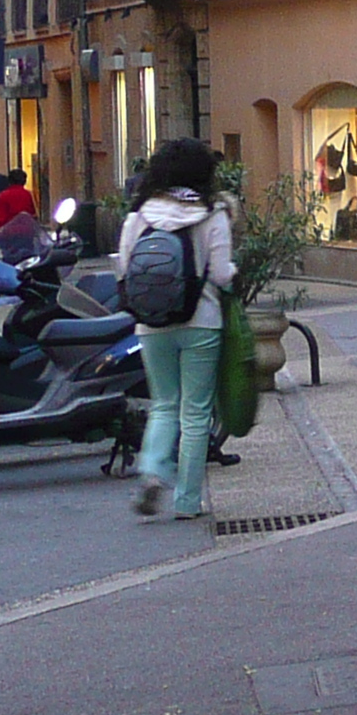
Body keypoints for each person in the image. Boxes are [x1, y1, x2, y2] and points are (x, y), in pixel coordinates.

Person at [116, 138, 236, 520]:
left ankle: (152, 472)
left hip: (151, 323)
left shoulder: (139, 215)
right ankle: (187, 500)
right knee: (196, 412)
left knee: (164, 404)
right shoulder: (212, 214)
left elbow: (123, 269)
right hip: (201, 321)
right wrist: (233, 275)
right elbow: (220, 274)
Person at [0, 170, 43, 262]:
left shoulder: (3, 196)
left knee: (10, 260)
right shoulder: (28, 195)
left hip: (9, 235)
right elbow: (32, 214)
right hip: (26, 233)